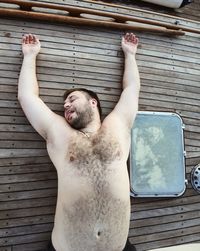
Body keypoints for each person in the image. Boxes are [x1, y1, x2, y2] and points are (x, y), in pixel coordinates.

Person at [18, 32, 140, 251]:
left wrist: (130, 55)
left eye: (72, 99)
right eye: (65, 103)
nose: (65, 105)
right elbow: (27, 97)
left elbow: (131, 89)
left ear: (93, 102)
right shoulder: (59, 132)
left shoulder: (118, 124)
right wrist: (30, 56)